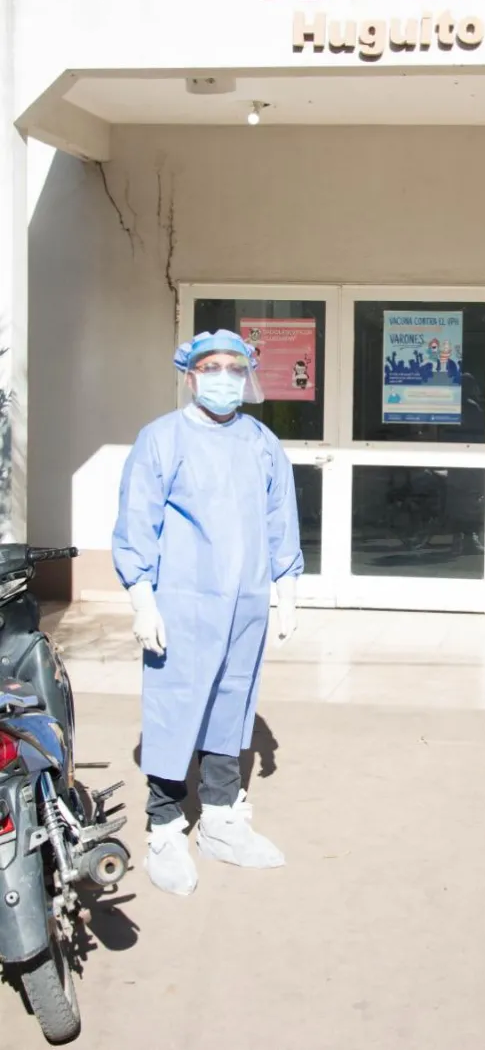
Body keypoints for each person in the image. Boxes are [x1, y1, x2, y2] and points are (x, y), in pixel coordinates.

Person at [112, 329, 304, 897]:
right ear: (191, 377)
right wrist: (141, 597)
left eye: (234, 368)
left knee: (232, 701)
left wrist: (287, 589)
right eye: (211, 367)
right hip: (181, 600)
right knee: (176, 704)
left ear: (247, 376)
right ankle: (165, 826)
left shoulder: (262, 442)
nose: (224, 377)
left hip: (245, 602)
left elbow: (280, 518)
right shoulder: (161, 439)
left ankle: (221, 817)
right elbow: (137, 519)